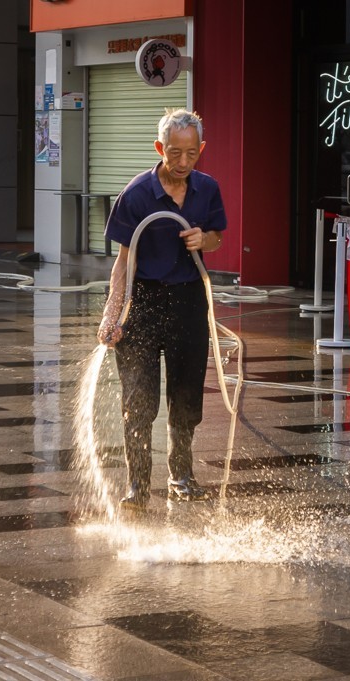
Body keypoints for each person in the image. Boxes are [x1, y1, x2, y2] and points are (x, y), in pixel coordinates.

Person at [97, 109, 226, 511]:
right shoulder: (137, 194)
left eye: (191, 153)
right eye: (175, 153)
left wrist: (204, 240)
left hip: (189, 301)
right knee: (139, 400)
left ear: (201, 149)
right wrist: (112, 313)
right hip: (143, 304)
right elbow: (123, 260)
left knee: (186, 396)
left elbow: (218, 239)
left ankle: (181, 477)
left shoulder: (207, 189)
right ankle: (137, 485)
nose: (183, 162)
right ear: (160, 148)